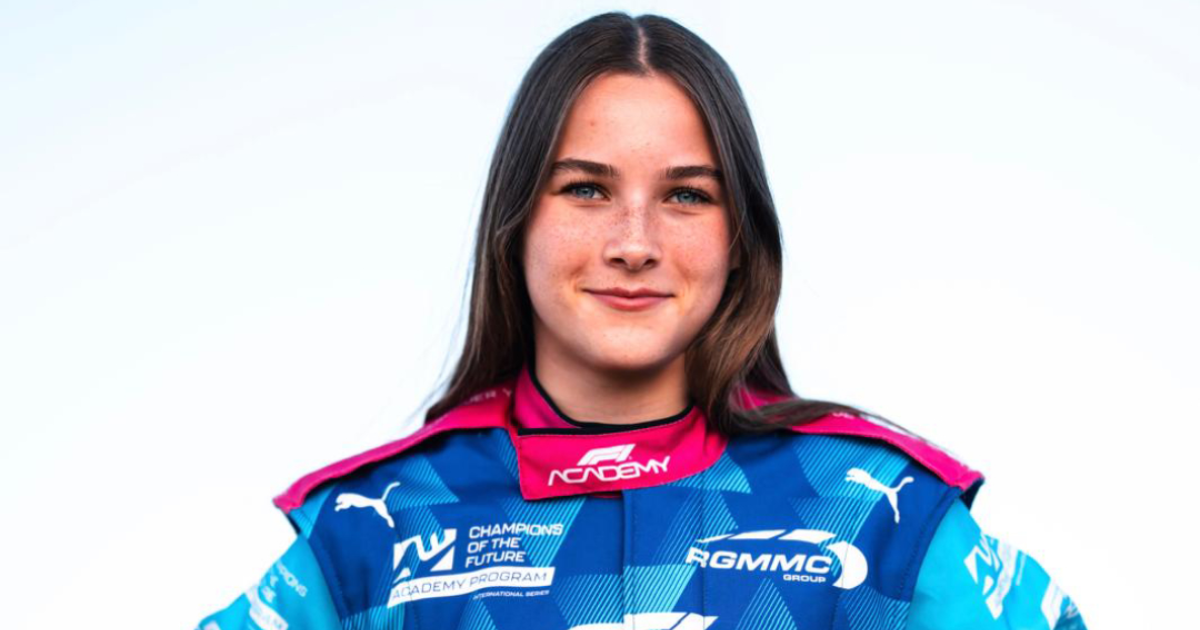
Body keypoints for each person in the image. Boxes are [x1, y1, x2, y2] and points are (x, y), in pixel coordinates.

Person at [196, 12, 1085, 630]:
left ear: (740, 237)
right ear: (517, 219)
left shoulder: (874, 512)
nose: (634, 243)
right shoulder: (378, 528)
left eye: (686, 196)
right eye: (586, 188)